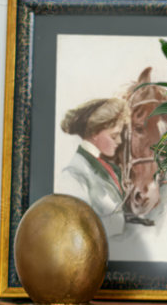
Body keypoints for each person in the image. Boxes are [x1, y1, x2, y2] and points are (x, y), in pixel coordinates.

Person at [55, 97, 131, 237]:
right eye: (114, 136)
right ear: (94, 133)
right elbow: (78, 227)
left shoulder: (109, 168)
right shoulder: (74, 174)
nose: (119, 141)